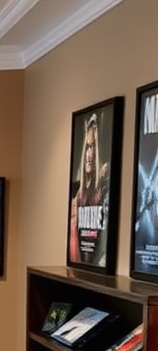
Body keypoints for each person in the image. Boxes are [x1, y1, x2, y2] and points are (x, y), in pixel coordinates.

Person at [69, 112, 110, 265]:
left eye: (93, 147)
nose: (89, 155)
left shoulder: (104, 191)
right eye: (87, 147)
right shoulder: (79, 196)